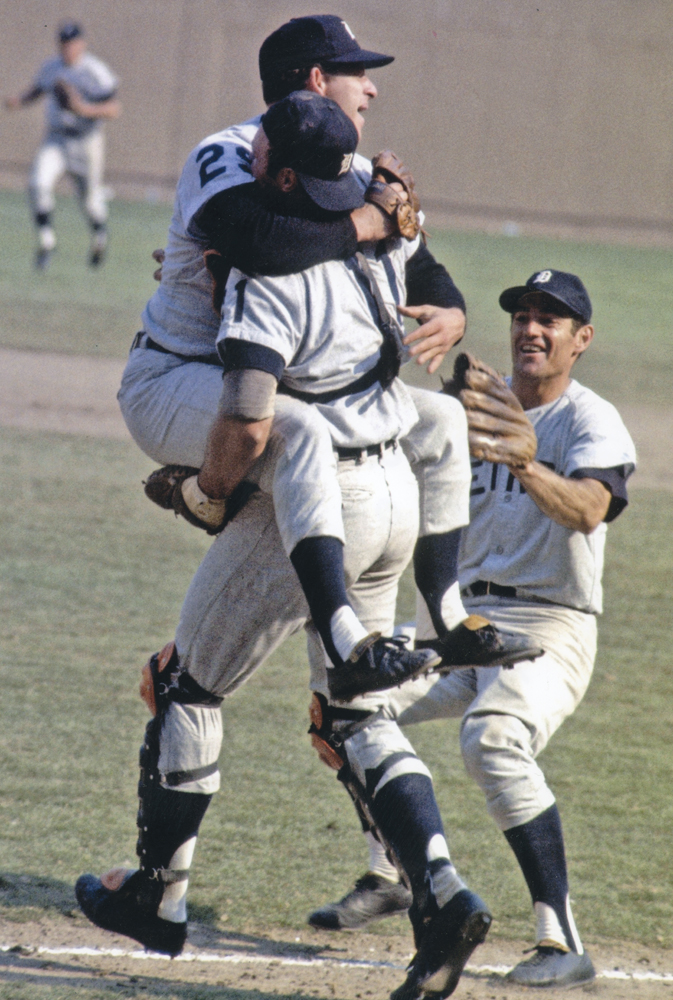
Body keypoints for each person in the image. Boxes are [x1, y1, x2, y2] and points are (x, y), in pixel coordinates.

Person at [76, 95, 495, 1000]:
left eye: (259, 149)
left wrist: (203, 494)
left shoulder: (267, 272)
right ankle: (441, 889)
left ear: (278, 174)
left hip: (320, 504)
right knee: (354, 716)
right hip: (395, 489)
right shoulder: (378, 245)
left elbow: (251, 419)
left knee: (188, 682)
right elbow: (410, 273)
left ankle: (159, 894)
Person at [119, 14, 533, 683]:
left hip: (274, 379)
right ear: (315, 79)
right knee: (297, 430)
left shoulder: (351, 169)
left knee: (440, 418)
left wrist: (451, 309)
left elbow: (418, 261)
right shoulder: (230, 152)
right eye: (356, 73)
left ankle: (447, 616)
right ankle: (207, 499)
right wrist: (367, 218)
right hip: (181, 375)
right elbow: (261, 247)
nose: (369, 90)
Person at [309, 269, 637, 991]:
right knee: (342, 702)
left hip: (549, 624)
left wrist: (526, 465)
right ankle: (394, 871)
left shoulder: (589, 419)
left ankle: (559, 940)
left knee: (490, 737)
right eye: (522, 313)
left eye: (550, 318)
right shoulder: (466, 413)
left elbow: (587, 509)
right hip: (460, 622)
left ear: (580, 340)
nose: (531, 327)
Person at [4, 21, 120, 269]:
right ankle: (47, 241)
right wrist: (19, 101)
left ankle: (99, 236)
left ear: (81, 44)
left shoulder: (94, 71)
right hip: (56, 138)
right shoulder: (52, 67)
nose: (67, 48)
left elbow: (113, 108)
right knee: (38, 183)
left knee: (88, 199)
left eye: (71, 43)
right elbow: (38, 89)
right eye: (63, 44)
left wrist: (84, 109)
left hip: (86, 140)